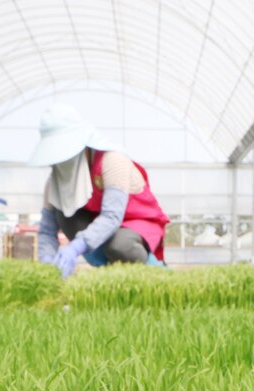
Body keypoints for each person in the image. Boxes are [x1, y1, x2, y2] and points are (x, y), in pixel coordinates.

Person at [30, 106, 170, 278]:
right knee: (64, 216)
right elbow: (47, 230)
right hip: (100, 227)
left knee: (120, 246)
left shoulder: (112, 161)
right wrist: (47, 262)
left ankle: (154, 272)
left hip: (134, 222)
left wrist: (76, 247)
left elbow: (112, 216)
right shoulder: (54, 182)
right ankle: (110, 275)